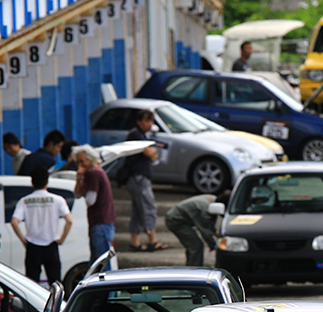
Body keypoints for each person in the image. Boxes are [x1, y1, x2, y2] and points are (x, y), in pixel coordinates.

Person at [11, 168, 73, 286]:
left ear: (32, 182)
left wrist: (23, 240)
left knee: (31, 284)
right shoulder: (57, 200)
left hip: (33, 246)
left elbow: (14, 222)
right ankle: (56, 304)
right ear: (47, 182)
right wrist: (62, 239)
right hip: (51, 245)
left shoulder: (25, 201)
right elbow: (69, 220)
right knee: (55, 284)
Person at [125, 108, 169, 252]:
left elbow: (152, 154)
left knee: (138, 210)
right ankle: (152, 241)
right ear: (139, 121)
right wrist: (152, 152)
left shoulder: (142, 134)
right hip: (138, 178)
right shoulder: (135, 134)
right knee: (149, 208)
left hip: (139, 178)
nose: (150, 124)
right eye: (147, 121)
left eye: (151, 121)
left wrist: (152, 153)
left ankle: (135, 242)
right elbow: (150, 152)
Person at [72, 144, 116, 261]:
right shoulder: (92, 173)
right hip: (102, 223)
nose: (80, 165)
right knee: (98, 259)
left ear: (90, 159)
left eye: (82, 161)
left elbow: (90, 201)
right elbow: (77, 194)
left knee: (100, 261)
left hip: (100, 223)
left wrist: (83, 184)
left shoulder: (94, 174)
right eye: (78, 162)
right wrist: (79, 179)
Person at [165, 191, 229, 266]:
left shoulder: (213, 202)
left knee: (194, 246)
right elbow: (205, 230)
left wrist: (216, 233)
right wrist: (215, 245)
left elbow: (209, 224)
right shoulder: (204, 210)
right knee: (195, 245)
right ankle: (194, 269)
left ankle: (191, 266)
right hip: (175, 220)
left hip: (181, 218)